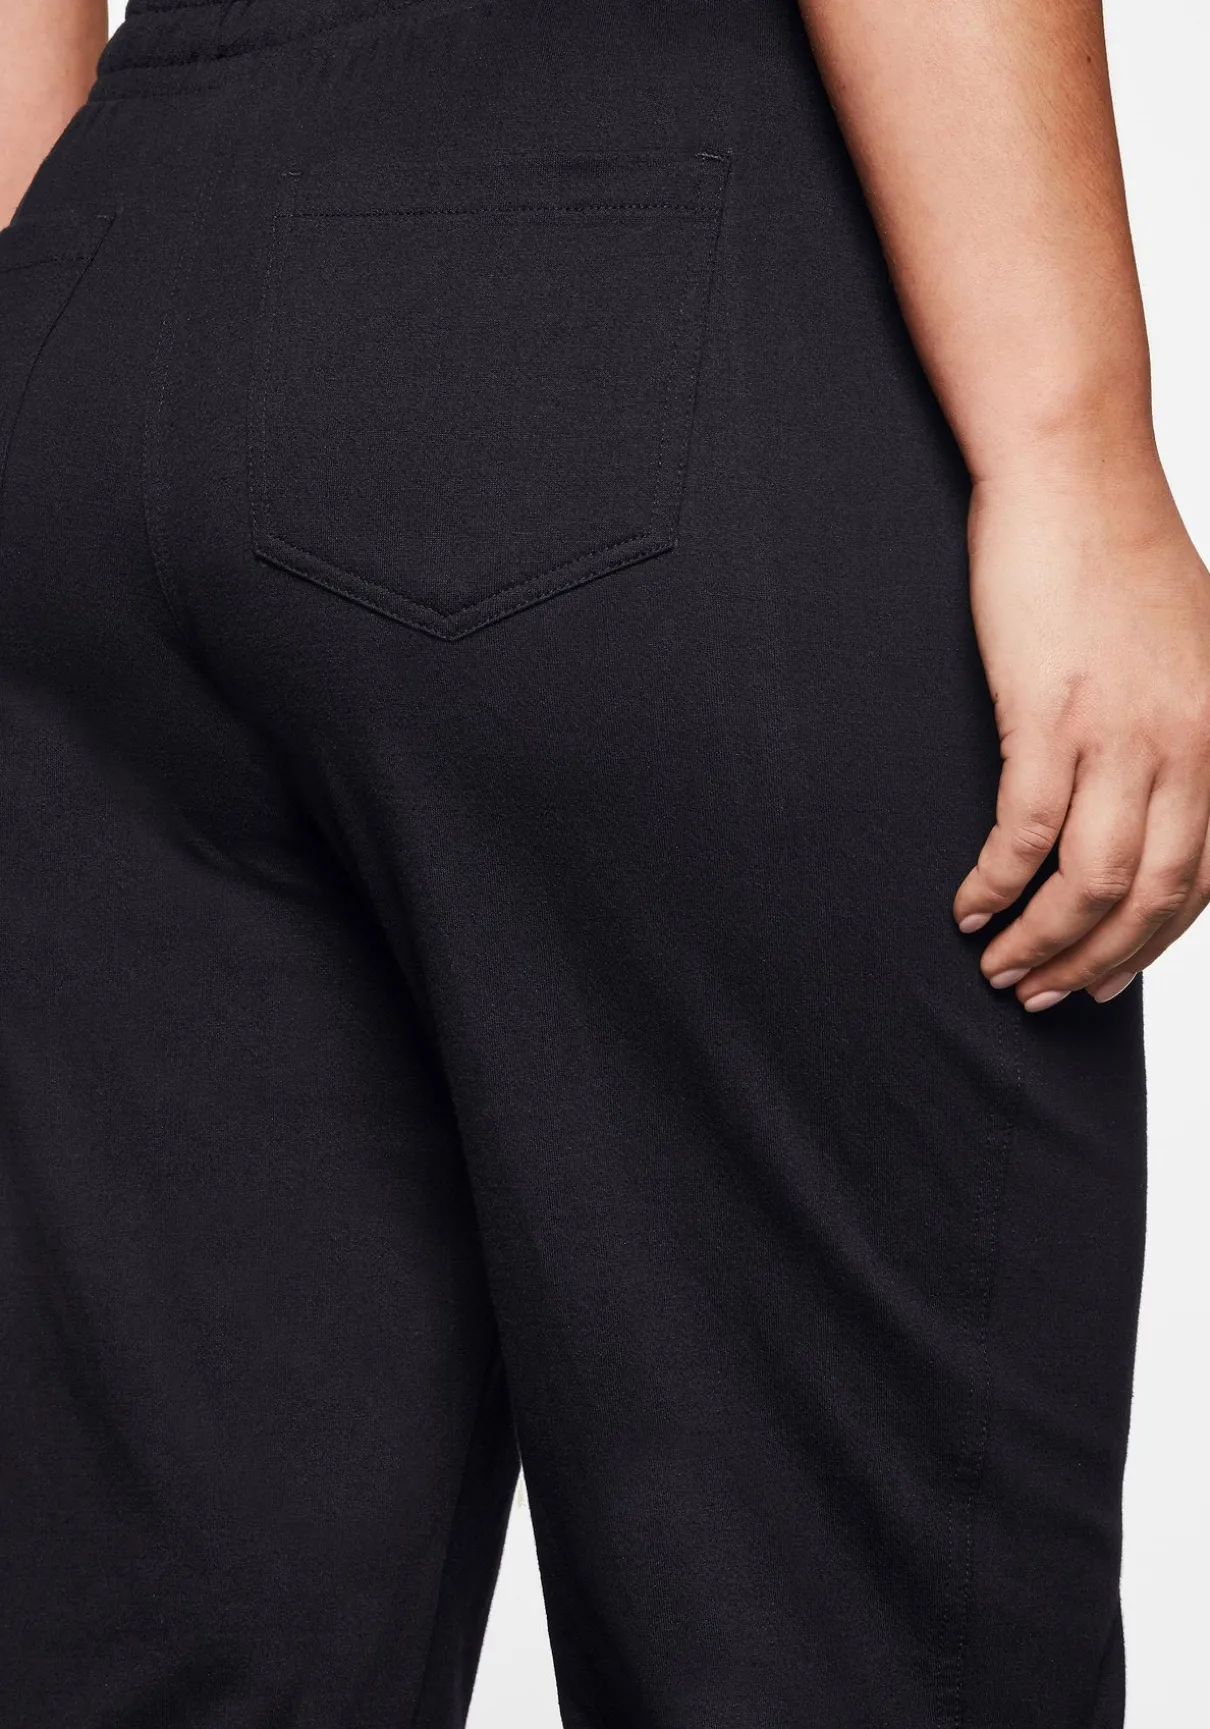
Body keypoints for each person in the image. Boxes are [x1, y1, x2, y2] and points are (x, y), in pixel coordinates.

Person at [1, 0, 1206, 1723]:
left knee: (157, 1627)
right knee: (845, 1628)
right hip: (643, 222)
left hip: (102, 279)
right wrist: (1072, 454)